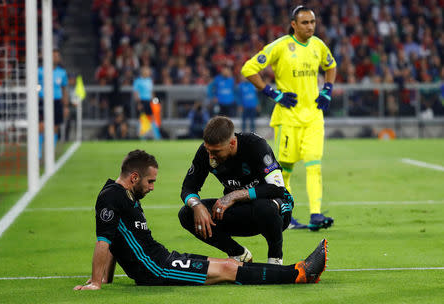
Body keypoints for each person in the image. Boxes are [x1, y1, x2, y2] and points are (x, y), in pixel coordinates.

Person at [74, 149, 328, 290]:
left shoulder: (124, 195)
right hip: (156, 269)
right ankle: (298, 273)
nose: (152, 187)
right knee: (229, 270)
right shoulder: (111, 198)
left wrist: (105, 278)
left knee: (228, 264)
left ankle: (294, 270)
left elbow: (115, 241)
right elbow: (104, 241)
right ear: (133, 177)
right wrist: (96, 282)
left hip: (161, 258)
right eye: (150, 181)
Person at [241, 6, 337, 231]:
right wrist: (273, 93)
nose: (310, 26)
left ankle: (315, 214)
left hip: (313, 117)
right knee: (284, 170)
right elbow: (249, 68)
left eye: (312, 22)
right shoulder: (280, 46)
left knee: (314, 164)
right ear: (294, 24)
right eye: (305, 23)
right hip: (288, 119)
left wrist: (327, 90)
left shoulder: (318, 45)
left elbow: (331, 66)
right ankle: (287, 215)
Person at [178, 116, 293, 265]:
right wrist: (196, 205)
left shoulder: (255, 145)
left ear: (232, 143)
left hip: (276, 210)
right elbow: (188, 187)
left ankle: (275, 260)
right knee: (186, 214)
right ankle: (238, 254)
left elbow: (278, 189)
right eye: (208, 150)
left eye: (216, 151)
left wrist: (236, 195)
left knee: (264, 207)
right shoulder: (206, 152)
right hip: (241, 212)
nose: (211, 156)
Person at [37, 49, 68, 158]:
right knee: (41, 126)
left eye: (57, 56)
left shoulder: (62, 73)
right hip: (43, 100)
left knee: (55, 127)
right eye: (53, 55)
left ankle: (50, 151)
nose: (55, 58)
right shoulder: (39, 71)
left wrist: (65, 106)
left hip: (57, 101)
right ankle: (39, 152)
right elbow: (34, 86)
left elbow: (64, 89)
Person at [133, 66, 161, 139]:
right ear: (143, 72)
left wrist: (154, 101)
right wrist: (138, 103)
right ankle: (142, 136)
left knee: (152, 118)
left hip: (149, 101)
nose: (149, 72)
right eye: (147, 71)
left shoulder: (149, 80)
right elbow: (136, 93)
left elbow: (151, 92)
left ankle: (156, 136)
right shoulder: (138, 81)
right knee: (142, 118)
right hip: (142, 101)